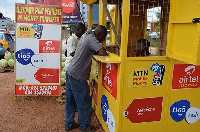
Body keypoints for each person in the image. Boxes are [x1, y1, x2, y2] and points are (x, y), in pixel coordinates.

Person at [65, 25, 108, 132]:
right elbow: (102, 53)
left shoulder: (86, 35)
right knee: (84, 103)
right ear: (97, 34)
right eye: (103, 37)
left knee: (70, 102)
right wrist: (100, 48)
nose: (103, 40)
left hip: (70, 71)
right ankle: (85, 127)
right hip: (78, 76)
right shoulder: (91, 38)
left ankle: (68, 124)